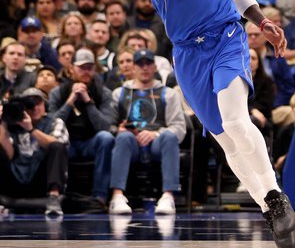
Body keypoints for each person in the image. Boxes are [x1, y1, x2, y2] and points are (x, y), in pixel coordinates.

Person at [135, 0, 295, 248]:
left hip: (227, 37)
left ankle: (275, 198)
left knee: (237, 120)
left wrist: (262, 21)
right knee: (227, 141)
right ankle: (268, 207)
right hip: (188, 53)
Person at [108, 49, 186, 215]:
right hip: (131, 143)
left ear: (155, 67)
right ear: (134, 67)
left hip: (157, 143)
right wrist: (118, 129)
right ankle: (117, 196)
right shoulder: (119, 93)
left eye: (148, 63)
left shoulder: (168, 94)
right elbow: (109, 125)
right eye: (140, 64)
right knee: (123, 137)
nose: (144, 68)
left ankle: (168, 196)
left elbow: (179, 127)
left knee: (170, 136)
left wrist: (155, 134)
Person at [49, 48, 116, 207]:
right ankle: (57, 196)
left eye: (89, 68)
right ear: (72, 68)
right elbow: (51, 124)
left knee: (106, 138)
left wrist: (88, 102)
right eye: (81, 67)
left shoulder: (103, 92)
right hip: (68, 143)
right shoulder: (58, 92)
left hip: (90, 143)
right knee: (55, 143)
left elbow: (105, 126)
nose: (86, 71)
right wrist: (70, 101)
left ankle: (100, 197)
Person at [0, 88, 69, 216]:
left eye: (38, 103)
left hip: (41, 180)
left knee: (57, 146)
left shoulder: (55, 122)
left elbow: (56, 144)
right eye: (30, 105)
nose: (35, 108)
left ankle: (53, 198)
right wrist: (3, 123)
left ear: (45, 105)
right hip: (16, 179)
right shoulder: (12, 125)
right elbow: (8, 155)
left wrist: (31, 129)